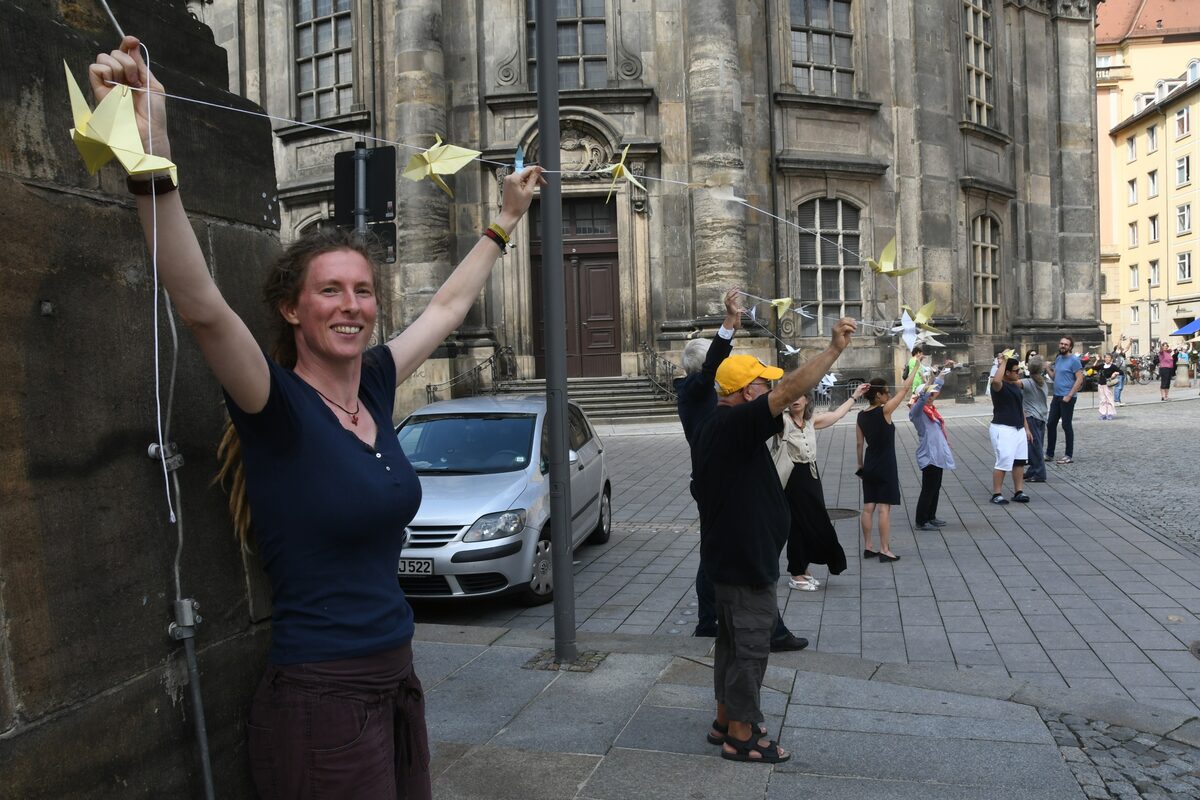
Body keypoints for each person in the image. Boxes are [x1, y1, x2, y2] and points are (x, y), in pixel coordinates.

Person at [91, 37, 546, 799]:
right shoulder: (276, 405)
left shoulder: (372, 382)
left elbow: (446, 305)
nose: (352, 306)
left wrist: (503, 221)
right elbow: (200, 306)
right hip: (321, 701)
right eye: (330, 291)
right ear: (291, 308)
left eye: (363, 291)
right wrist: (153, 150)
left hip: (395, 678)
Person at [692, 319, 856, 764]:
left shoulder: (717, 423)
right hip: (745, 559)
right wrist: (832, 351)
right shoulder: (737, 424)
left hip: (731, 555)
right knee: (749, 646)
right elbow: (788, 392)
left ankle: (726, 718)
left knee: (730, 642)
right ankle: (742, 736)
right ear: (747, 394)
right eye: (764, 385)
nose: (772, 391)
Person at [676, 293, 807, 652]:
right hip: (719, 477)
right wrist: (728, 325)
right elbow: (714, 364)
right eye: (719, 364)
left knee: (725, 551)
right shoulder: (695, 390)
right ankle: (727, 624)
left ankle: (721, 622)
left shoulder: (701, 395)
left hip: (727, 468)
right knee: (730, 553)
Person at [774, 382, 870, 591]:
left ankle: (803, 569)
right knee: (799, 524)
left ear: (807, 399)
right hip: (792, 477)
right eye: (791, 397)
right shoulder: (781, 421)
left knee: (812, 521)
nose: (795, 400)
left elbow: (836, 415)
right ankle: (796, 573)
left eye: (799, 396)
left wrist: (854, 396)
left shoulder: (810, 421)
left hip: (811, 475)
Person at [856, 358, 917, 562]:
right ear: (879, 395)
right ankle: (884, 549)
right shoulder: (885, 411)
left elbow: (859, 444)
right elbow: (905, 389)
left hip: (870, 464)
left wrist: (861, 466)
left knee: (868, 507)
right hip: (886, 464)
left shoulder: (860, 416)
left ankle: (868, 547)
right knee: (884, 508)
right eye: (886, 392)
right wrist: (916, 366)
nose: (889, 394)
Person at [908, 367, 955, 531]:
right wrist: (927, 385)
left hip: (938, 454)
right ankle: (921, 520)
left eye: (933, 395)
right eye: (929, 395)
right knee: (928, 488)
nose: (931, 398)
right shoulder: (917, 412)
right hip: (928, 455)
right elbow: (922, 398)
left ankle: (931, 516)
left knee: (935, 487)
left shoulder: (931, 411)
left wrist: (943, 372)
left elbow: (937, 387)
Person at [988, 356, 1032, 504]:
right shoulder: (999, 386)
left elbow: (1020, 409)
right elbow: (995, 380)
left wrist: (1026, 429)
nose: (1018, 372)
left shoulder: (1015, 385)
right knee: (1004, 460)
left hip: (1018, 427)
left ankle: (1019, 491)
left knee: (1019, 461)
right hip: (1003, 427)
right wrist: (1004, 361)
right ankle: (997, 493)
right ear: (1006, 372)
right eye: (1015, 370)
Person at [1045, 336, 1083, 465]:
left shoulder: (1074, 360)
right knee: (1050, 424)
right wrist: (1047, 368)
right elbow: (1055, 377)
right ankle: (1049, 453)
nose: (1063, 346)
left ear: (1070, 347)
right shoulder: (1059, 358)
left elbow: (1079, 379)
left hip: (1068, 397)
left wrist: (1070, 395)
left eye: (1066, 344)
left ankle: (1068, 455)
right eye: (1061, 343)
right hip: (1057, 396)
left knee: (1066, 425)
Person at [1020, 355, 1050, 483]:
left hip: (1031, 417)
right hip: (1042, 417)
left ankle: (1040, 473)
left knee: (1035, 445)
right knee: (1036, 444)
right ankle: (1033, 470)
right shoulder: (1043, 382)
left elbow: (1012, 382)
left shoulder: (1027, 383)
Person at [1097, 353, 1119, 419]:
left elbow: (1121, 372)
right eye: (1106, 357)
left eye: (1108, 357)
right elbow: (1093, 368)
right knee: (1102, 400)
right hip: (1101, 384)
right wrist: (1097, 360)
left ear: (1111, 359)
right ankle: (1103, 414)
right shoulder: (1102, 365)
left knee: (1109, 399)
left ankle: (1110, 414)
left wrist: (1115, 373)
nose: (1107, 358)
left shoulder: (1113, 366)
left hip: (1108, 384)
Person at [1111, 340, 1128, 405]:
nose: (1121, 350)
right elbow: (1118, 348)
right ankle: (1116, 401)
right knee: (1118, 386)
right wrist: (1120, 339)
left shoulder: (1122, 355)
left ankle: (1118, 400)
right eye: (1120, 349)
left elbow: (1126, 349)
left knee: (1121, 387)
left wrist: (1130, 342)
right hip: (1118, 373)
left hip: (1123, 373)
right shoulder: (1114, 355)